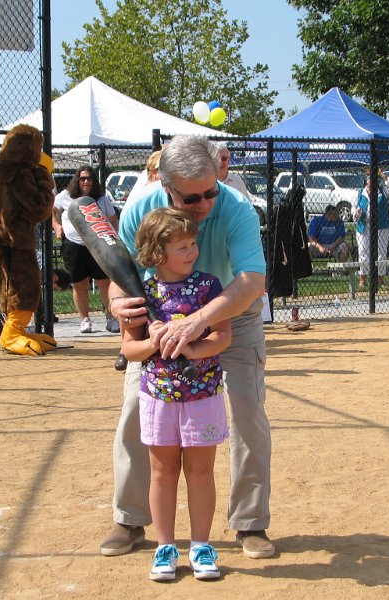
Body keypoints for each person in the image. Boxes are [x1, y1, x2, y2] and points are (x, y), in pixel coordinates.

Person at [102, 135, 272, 561]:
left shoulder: (235, 208)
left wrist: (200, 320)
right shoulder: (142, 209)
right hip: (161, 320)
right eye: (191, 197)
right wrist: (119, 305)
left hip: (232, 311)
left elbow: (252, 281)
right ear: (163, 181)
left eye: (210, 191)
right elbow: (120, 279)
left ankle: (250, 523)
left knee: (249, 411)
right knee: (134, 412)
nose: (205, 204)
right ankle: (130, 518)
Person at [121, 207, 231, 581]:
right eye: (182, 246)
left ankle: (201, 545)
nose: (192, 251)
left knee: (200, 472)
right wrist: (152, 342)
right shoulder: (142, 296)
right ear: (157, 252)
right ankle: (164, 546)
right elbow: (129, 350)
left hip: (203, 393)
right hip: (159, 396)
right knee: (162, 471)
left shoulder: (209, 288)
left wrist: (191, 349)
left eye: (192, 243)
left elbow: (222, 336)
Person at [51, 166, 120, 333]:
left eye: (89, 178)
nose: (86, 181)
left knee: (104, 283)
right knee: (79, 284)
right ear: (77, 180)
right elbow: (52, 210)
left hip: (98, 244)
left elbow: (112, 219)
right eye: (82, 178)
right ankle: (85, 320)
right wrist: (57, 226)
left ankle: (110, 319)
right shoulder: (66, 196)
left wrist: (113, 237)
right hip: (73, 245)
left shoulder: (102, 199)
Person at [353, 176, 389, 288]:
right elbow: (354, 208)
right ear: (366, 181)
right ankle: (363, 279)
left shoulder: (382, 191)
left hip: (381, 226)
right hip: (364, 226)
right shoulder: (360, 192)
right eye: (369, 179)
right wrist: (356, 213)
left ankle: (380, 280)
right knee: (363, 252)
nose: (371, 181)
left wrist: (384, 175)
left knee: (381, 252)